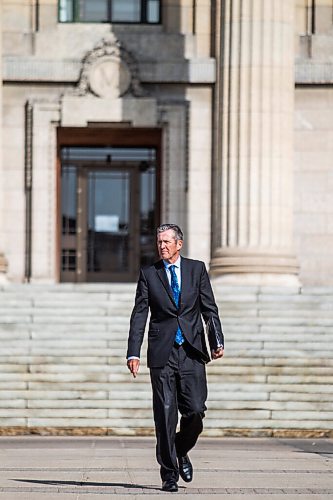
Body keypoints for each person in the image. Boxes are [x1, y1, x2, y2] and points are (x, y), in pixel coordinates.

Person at [126, 224, 224, 492]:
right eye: (159, 242)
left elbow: (209, 309)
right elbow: (139, 314)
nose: (162, 246)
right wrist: (133, 351)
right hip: (162, 353)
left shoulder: (197, 269)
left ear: (179, 244)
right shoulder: (149, 273)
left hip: (192, 351)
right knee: (166, 414)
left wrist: (217, 340)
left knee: (195, 410)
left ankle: (180, 450)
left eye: (167, 242)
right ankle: (168, 474)